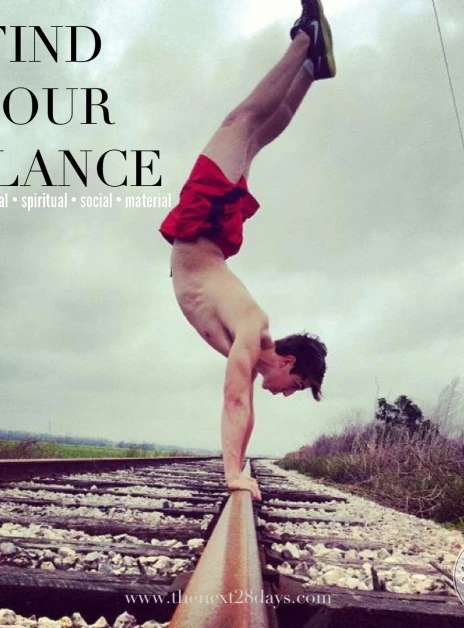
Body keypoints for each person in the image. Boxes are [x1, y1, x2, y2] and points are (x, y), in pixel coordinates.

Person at [159, 0, 335, 501]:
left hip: (209, 236)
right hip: (204, 224)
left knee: (256, 134)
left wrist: (239, 466)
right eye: (294, 385)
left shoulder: (253, 341)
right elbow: (235, 398)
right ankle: (305, 41)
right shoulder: (252, 331)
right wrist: (234, 473)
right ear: (287, 361)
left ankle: (311, 67)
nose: (285, 393)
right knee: (244, 121)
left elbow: (246, 403)